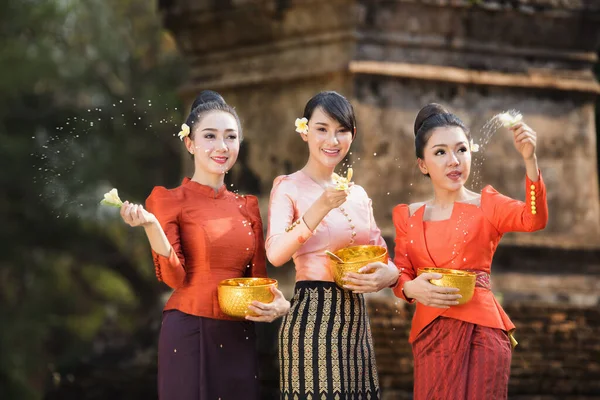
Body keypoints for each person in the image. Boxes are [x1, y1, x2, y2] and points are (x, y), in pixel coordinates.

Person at [119, 90, 290, 400]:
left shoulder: (248, 206)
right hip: (189, 331)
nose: (221, 147)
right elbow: (175, 279)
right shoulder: (168, 200)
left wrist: (278, 306)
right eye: (209, 136)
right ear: (190, 142)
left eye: (230, 137)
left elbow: (258, 282)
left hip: (239, 335)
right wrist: (151, 226)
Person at [392, 103, 548, 399]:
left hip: (483, 334)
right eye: (440, 152)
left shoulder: (487, 204)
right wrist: (411, 289)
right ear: (422, 164)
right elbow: (401, 275)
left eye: (461, 150)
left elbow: (534, 218)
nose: (454, 161)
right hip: (430, 334)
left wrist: (530, 161)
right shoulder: (408, 216)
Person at [266, 91, 400, 400]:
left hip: (356, 323)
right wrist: (319, 208)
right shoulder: (288, 186)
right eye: (322, 128)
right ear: (305, 131)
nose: (332, 140)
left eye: (342, 130)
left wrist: (389, 275)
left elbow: (381, 251)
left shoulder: (358, 194)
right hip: (313, 318)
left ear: (352, 135)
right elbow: (274, 254)